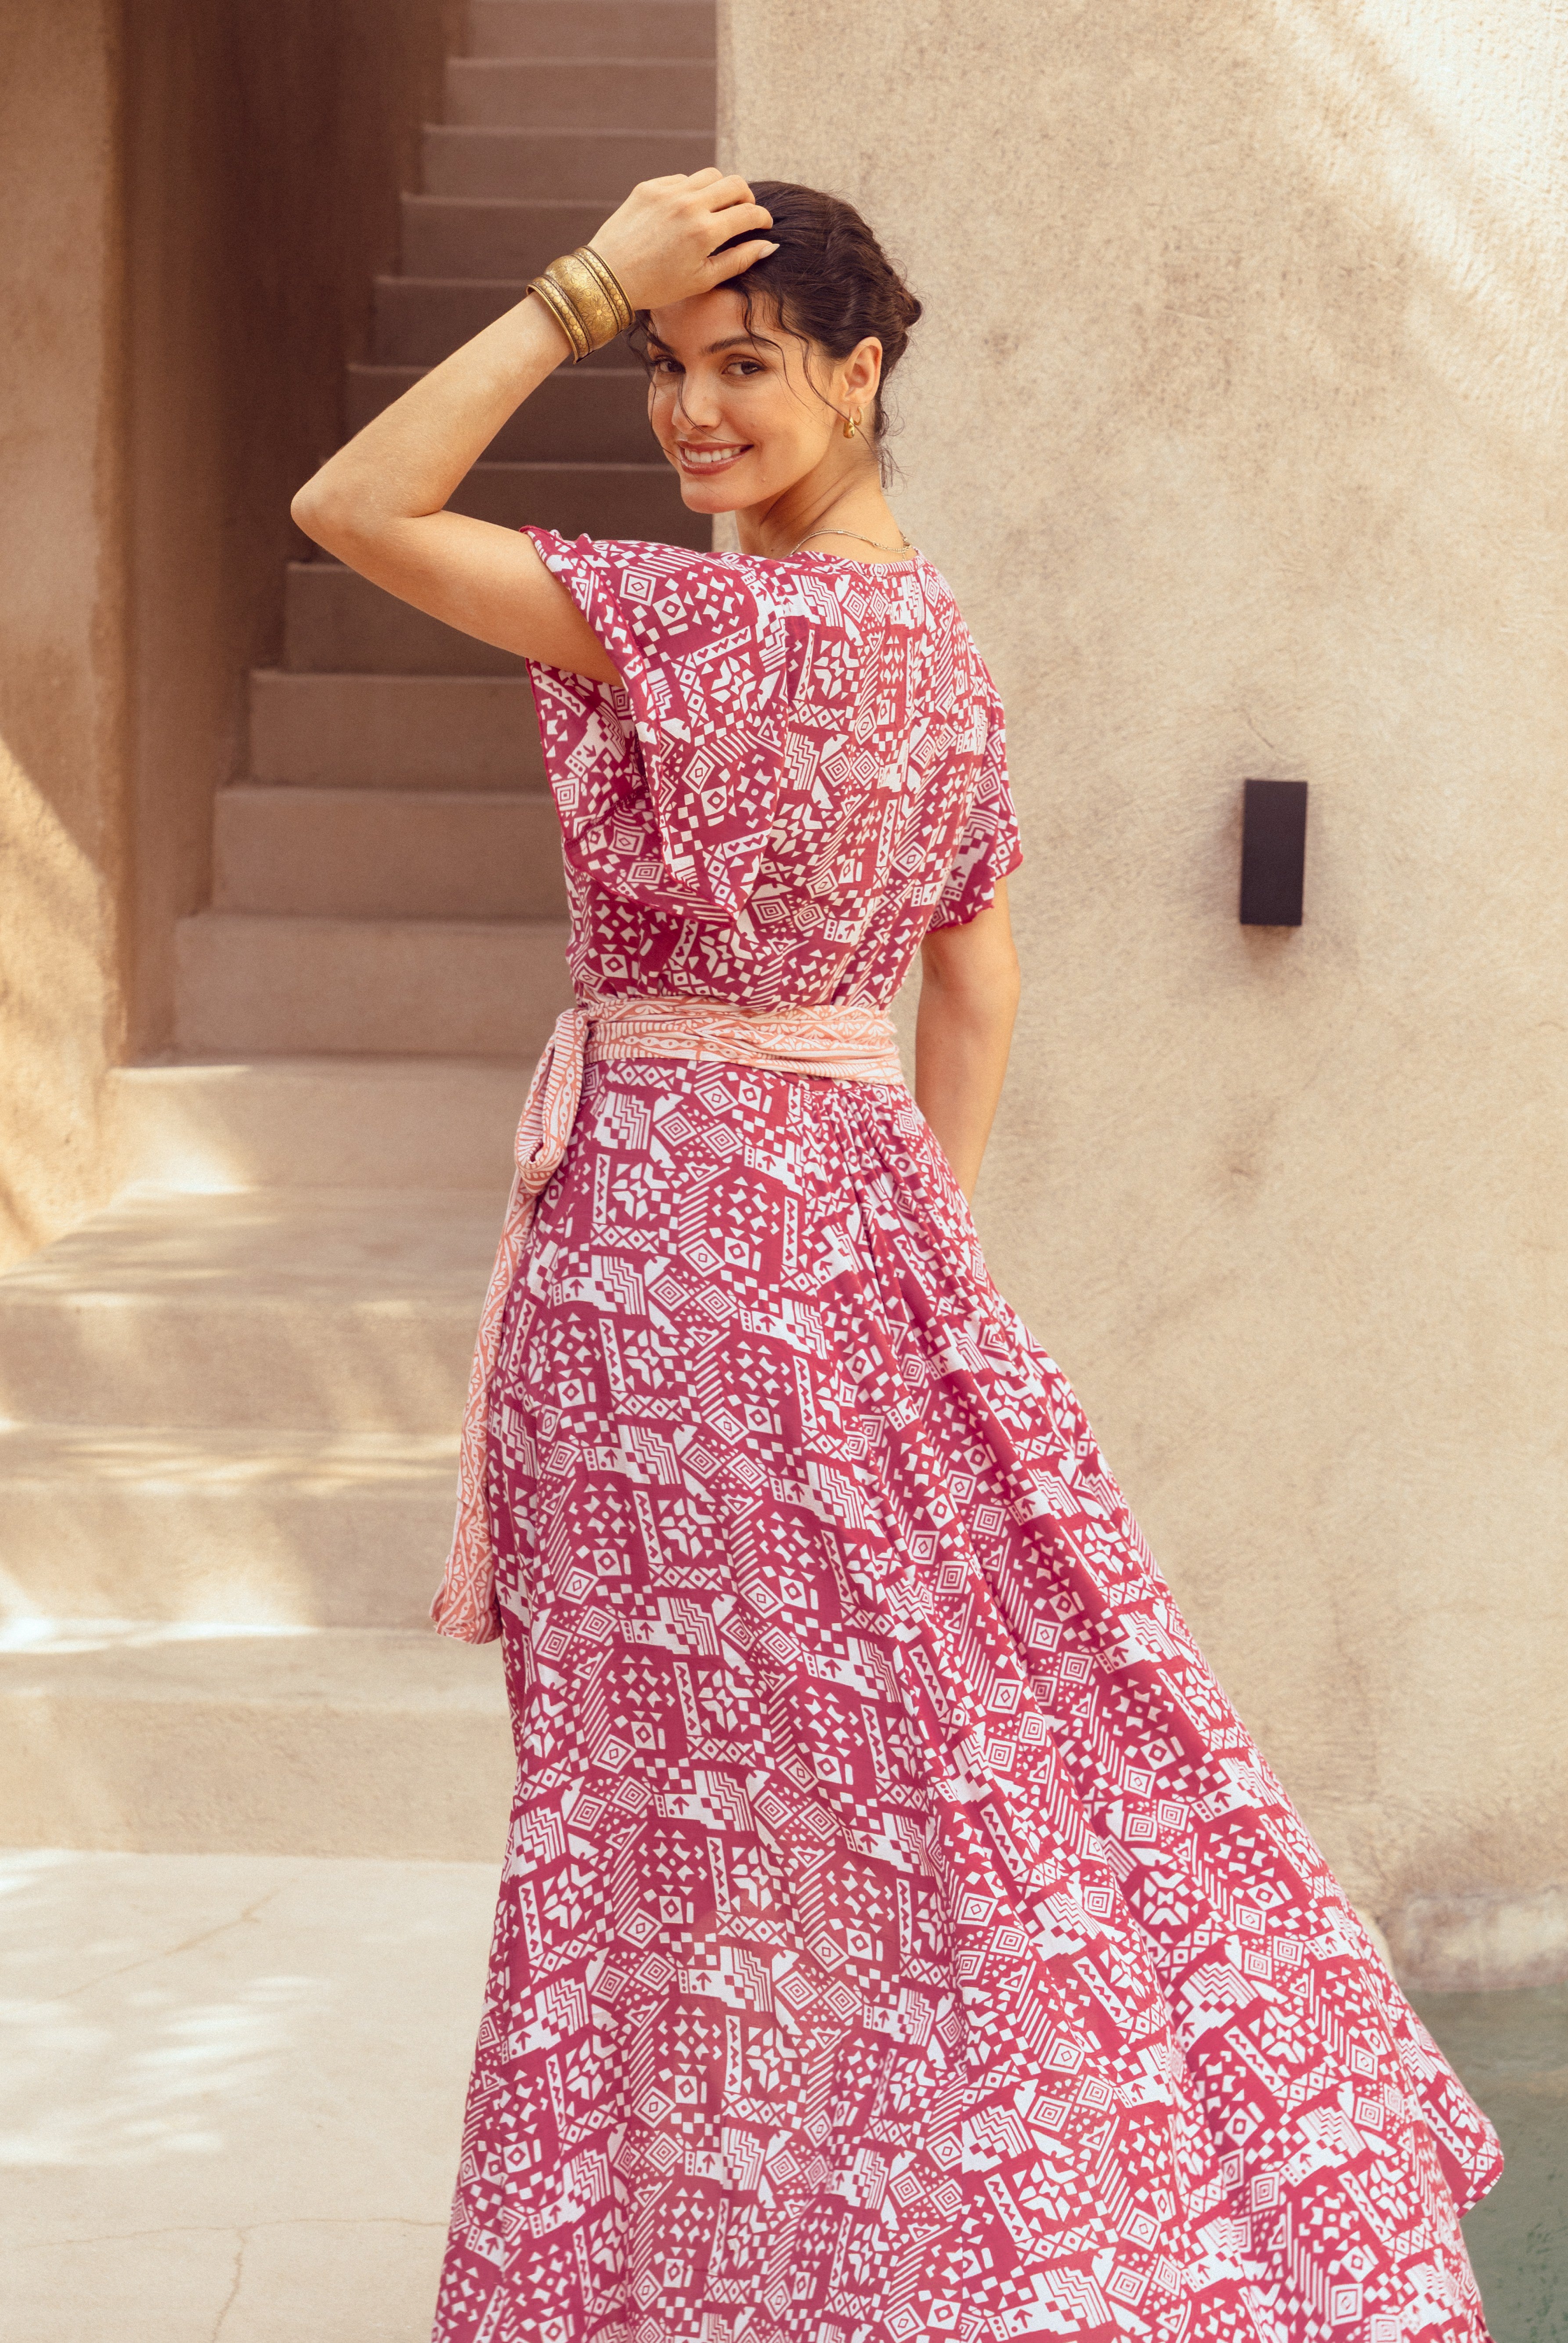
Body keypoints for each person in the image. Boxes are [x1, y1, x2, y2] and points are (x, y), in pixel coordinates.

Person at [291, 170, 1499, 2343]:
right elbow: (979, 975)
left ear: (861, 373)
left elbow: (354, 505)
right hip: (842, 1245)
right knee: (939, 1785)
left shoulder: (702, 625)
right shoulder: (940, 654)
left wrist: (575, 287)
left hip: (658, 1264)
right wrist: (913, 1245)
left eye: (741, 363)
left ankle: (709, 2281)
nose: (688, 410)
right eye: (664, 366)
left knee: (667, 1835)